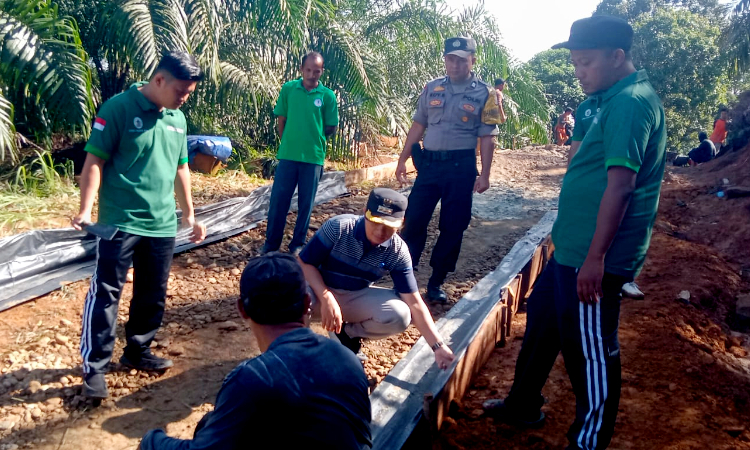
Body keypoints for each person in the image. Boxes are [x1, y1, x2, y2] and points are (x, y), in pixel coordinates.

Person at [482, 16, 666, 450]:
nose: (578, 72)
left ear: (616, 57)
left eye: (585, 63)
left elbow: (621, 187)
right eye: (575, 63)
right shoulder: (608, 99)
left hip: (593, 257)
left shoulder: (632, 103)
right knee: (543, 321)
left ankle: (588, 440)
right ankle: (522, 403)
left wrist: (597, 259)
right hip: (572, 248)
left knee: (591, 352)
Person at [72, 51, 207, 400]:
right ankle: (95, 369)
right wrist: (86, 210)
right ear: (159, 80)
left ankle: (137, 350)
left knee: (152, 293)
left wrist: (189, 214)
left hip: (161, 225)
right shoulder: (118, 108)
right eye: (181, 90)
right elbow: (94, 162)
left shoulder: (177, 118)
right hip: (120, 221)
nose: (184, 98)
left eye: (189, 93)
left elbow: (181, 169)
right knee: (106, 294)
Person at [139, 253, 372, 449]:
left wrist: (152, 441)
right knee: (211, 423)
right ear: (306, 303)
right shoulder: (346, 358)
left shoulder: (252, 379)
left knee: (216, 426)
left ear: (242, 309)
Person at [297, 188, 455, 370]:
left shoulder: (397, 251)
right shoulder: (339, 228)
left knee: (400, 314)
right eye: (376, 222)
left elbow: (415, 303)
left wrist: (438, 346)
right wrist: (326, 298)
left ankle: (347, 334)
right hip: (317, 292)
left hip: (354, 296)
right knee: (293, 298)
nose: (381, 231)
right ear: (365, 213)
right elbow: (304, 263)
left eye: (389, 225)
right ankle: (301, 354)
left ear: (401, 223)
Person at [395, 37, 503, 303]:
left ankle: (436, 281)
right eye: (450, 58)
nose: (454, 64)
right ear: (445, 59)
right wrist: (402, 159)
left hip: (461, 168)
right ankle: (404, 279)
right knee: (414, 220)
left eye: (461, 59)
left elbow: (488, 136)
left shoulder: (486, 94)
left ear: (472, 61)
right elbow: (418, 125)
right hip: (429, 165)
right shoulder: (432, 88)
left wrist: (485, 174)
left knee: (453, 226)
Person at [261, 51, 339, 255]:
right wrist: (288, 141)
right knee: (279, 201)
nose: (312, 74)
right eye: (308, 70)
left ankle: (297, 244)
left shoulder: (328, 96)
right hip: (288, 156)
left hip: (313, 158)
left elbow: (331, 126)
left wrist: (314, 136)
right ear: (302, 69)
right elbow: (282, 119)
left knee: (306, 203)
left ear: (322, 71)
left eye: (317, 71)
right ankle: (271, 245)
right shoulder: (289, 89)